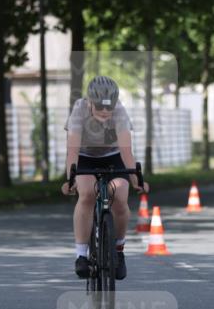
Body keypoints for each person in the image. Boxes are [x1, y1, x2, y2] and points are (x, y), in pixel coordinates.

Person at [61, 75, 148, 280]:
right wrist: (70, 179)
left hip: (113, 157)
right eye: (100, 107)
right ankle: (82, 255)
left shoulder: (120, 113)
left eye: (109, 108)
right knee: (87, 195)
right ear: (90, 101)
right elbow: (72, 151)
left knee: (120, 196)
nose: (105, 112)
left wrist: (135, 178)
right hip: (84, 157)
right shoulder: (79, 110)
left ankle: (118, 250)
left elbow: (126, 152)